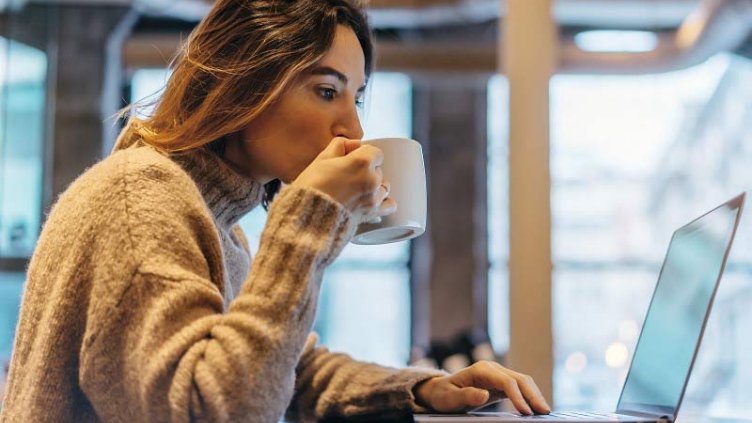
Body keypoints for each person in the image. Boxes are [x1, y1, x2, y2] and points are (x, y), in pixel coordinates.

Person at [0, 1, 551, 422]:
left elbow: (289, 370)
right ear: (244, 80)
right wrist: (310, 219)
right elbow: (217, 408)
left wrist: (422, 389)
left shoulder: (211, 219)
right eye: (326, 90)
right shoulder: (141, 200)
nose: (353, 130)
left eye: (355, 97)